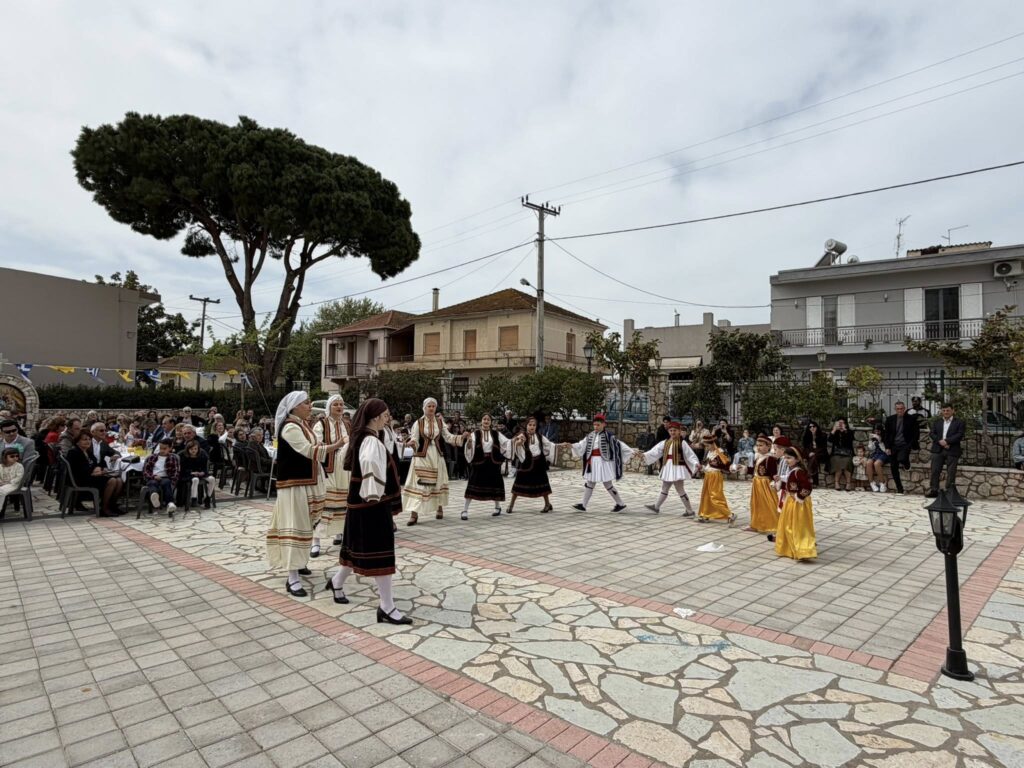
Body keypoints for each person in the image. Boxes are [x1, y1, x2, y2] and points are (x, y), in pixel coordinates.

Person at [327, 397, 411, 625]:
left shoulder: (362, 437)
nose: (387, 418)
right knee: (381, 554)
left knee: (354, 548)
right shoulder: (370, 441)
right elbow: (370, 470)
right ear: (375, 417)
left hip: (359, 505)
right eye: (385, 415)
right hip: (371, 505)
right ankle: (387, 607)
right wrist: (375, 497)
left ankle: (336, 582)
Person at [266, 391, 344, 596]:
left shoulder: (302, 425)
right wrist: (337, 445)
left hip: (305, 483)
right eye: (306, 403)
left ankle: (300, 563)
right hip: (294, 485)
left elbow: (314, 448)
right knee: (295, 526)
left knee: (306, 525)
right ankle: (292, 579)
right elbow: (309, 450)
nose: (310, 406)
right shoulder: (290, 427)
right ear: (294, 407)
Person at [402, 398, 464, 526]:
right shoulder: (418, 423)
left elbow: (448, 437)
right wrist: (412, 443)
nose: (431, 408)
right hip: (422, 456)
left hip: (436, 455)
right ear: (424, 408)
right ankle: (414, 513)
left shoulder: (440, 422)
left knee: (438, 481)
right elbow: (415, 438)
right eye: (429, 406)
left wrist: (460, 437)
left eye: (433, 406)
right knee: (419, 484)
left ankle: (439, 507)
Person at [311, 394, 352, 556]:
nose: (339, 407)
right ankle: (316, 541)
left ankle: (339, 533)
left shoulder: (347, 424)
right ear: (329, 407)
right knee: (325, 503)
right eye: (335, 404)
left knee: (342, 502)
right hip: (328, 468)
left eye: (341, 404)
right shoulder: (321, 424)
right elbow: (317, 446)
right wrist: (337, 445)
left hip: (344, 469)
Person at [570, 414, 634, 512]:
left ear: (604, 424)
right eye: (594, 425)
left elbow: (619, 444)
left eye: (598, 425)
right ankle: (583, 505)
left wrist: (631, 451)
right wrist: (571, 446)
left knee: (608, 484)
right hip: (592, 462)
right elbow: (581, 445)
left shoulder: (609, 436)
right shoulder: (590, 435)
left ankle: (621, 504)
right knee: (590, 483)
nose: (595, 427)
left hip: (603, 462)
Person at [642, 420, 699, 515]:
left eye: (675, 430)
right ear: (669, 431)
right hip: (668, 467)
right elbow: (655, 451)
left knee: (680, 489)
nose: (672, 432)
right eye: (671, 430)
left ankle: (690, 511)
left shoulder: (682, 443)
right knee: (665, 488)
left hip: (677, 468)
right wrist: (644, 455)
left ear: (679, 431)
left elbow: (690, 455)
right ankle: (656, 507)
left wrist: (695, 463)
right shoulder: (665, 442)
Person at [461, 413, 512, 519]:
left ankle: (497, 507)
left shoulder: (496, 434)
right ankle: (465, 510)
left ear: (491, 422)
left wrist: (515, 441)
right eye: (484, 419)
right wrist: (469, 443)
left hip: (492, 463)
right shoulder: (475, 434)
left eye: (488, 419)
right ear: (481, 421)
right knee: (473, 483)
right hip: (479, 462)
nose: (486, 421)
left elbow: (506, 443)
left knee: (495, 484)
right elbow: (470, 447)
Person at [772, 447, 817, 561]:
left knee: (798, 525)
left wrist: (799, 497)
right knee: (788, 524)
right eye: (785, 457)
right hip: (790, 501)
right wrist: (780, 480)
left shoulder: (798, 472)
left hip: (798, 503)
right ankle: (789, 548)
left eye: (789, 458)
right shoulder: (792, 471)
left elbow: (807, 487)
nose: (786, 460)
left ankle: (802, 550)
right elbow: (789, 482)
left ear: (797, 459)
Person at [68, 430, 124, 516]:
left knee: (119, 480)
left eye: (89, 439)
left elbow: (96, 464)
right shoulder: (74, 452)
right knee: (112, 480)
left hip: (91, 476)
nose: (88, 441)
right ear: (77, 441)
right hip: (82, 479)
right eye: (84, 439)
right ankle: (104, 508)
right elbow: (78, 471)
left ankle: (112, 505)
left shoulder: (87, 451)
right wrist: (95, 472)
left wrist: (99, 468)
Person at [508, 416, 557, 513]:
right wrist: (518, 443)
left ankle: (547, 504)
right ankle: (511, 505)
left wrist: (559, 446)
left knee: (543, 484)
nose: (532, 427)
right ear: (526, 425)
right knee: (518, 483)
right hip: (526, 463)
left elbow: (549, 445)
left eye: (534, 425)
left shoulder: (539, 436)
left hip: (538, 463)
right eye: (530, 425)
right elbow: (516, 442)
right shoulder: (522, 435)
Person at [926, 403, 965, 497]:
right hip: (938, 449)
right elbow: (932, 433)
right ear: (941, 411)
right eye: (944, 410)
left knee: (951, 472)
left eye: (948, 410)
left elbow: (959, 435)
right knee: (935, 470)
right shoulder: (937, 422)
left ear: (952, 411)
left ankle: (949, 491)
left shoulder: (959, 422)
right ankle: (934, 490)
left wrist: (947, 441)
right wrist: (940, 442)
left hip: (952, 449)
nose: (946, 412)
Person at [696, 433, 735, 525]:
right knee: (706, 496)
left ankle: (730, 514)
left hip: (715, 476)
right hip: (709, 476)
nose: (707, 447)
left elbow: (726, 465)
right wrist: (702, 468)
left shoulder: (720, 453)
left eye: (708, 445)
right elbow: (709, 467)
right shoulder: (710, 453)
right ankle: (706, 514)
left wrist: (734, 468)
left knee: (715, 496)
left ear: (713, 444)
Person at [883, 400, 919, 494]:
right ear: (895, 409)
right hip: (893, 445)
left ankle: (907, 465)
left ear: (905, 409)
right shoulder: (890, 419)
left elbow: (916, 433)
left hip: (905, 444)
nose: (900, 410)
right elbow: (886, 434)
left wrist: (911, 444)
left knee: (901, 458)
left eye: (902, 409)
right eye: (898, 409)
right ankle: (899, 488)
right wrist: (887, 447)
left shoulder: (911, 419)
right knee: (893, 467)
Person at [747, 434, 779, 533]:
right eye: (757, 445)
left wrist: (775, 483)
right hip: (757, 483)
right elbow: (754, 470)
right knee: (756, 504)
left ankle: (775, 525)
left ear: (768, 446)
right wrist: (744, 468)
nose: (758, 447)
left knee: (769, 504)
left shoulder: (770, 459)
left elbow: (774, 474)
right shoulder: (759, 457)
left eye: (761, 445)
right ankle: (755, 524)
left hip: (765, 485)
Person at [143, 438, 180, 514]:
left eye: (165, 448)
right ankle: (155, 497)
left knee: (166, 484)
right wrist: (153, 476)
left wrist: (173, 482)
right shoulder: (152, 457)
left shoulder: (172, 458)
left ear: (170, 448)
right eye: (160, 448)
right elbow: (146, 471)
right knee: (152, 483)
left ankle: (170, 503)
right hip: (153, 477)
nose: (162, 450)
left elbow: (176, 471)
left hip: (166, 478)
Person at [180, 439, 216, 509]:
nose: (193, 451)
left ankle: (208, 498)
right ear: (188, 450)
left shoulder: (202, 456)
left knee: (212, 479)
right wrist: (192, 472)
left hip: (201, 474)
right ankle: (194, 498)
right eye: (191, 449)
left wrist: (203, 472)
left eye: (195, 449)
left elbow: (205, 468)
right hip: (189, 475)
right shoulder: (184, 457)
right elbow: (182, 470)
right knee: (195, 480)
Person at [828, 418, 854, 491]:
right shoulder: (835, 432)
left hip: (847, 453)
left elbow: (850, 440)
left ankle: (848, 483)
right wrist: (834, 430)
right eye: (839, 423)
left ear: (845, 424)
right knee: (837, 461)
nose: (841, 424)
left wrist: (845, 431)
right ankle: (836, 483)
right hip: (836, 453)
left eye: (842, 423)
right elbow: (829, 440)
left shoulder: (849, 432)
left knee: (847, 462)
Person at [801, 421, 829, 487]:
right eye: (810, 427)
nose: (812, 428)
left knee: (813, 458)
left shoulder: (823, 435)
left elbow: (823, 447)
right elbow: (805, 447)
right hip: (810, 454)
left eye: (814, 426)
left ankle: (809, 476)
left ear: (817, 427)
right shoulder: (806, 436)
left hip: (821, 454)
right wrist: (809, 453)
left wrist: (815, 453)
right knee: (813, 459)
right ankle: (815, 482)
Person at [865, 426, 889, 492]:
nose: (876, 433)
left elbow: (885, 450)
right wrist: (870, 440)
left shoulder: (885, 437)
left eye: (878, 431)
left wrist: (880, 440)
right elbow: (871, 448)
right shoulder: (873, 438)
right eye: (875, 431)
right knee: (868, 463)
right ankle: (872, 483)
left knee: (877, 464)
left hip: (883, 454)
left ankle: (882, 483)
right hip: (875, 453)